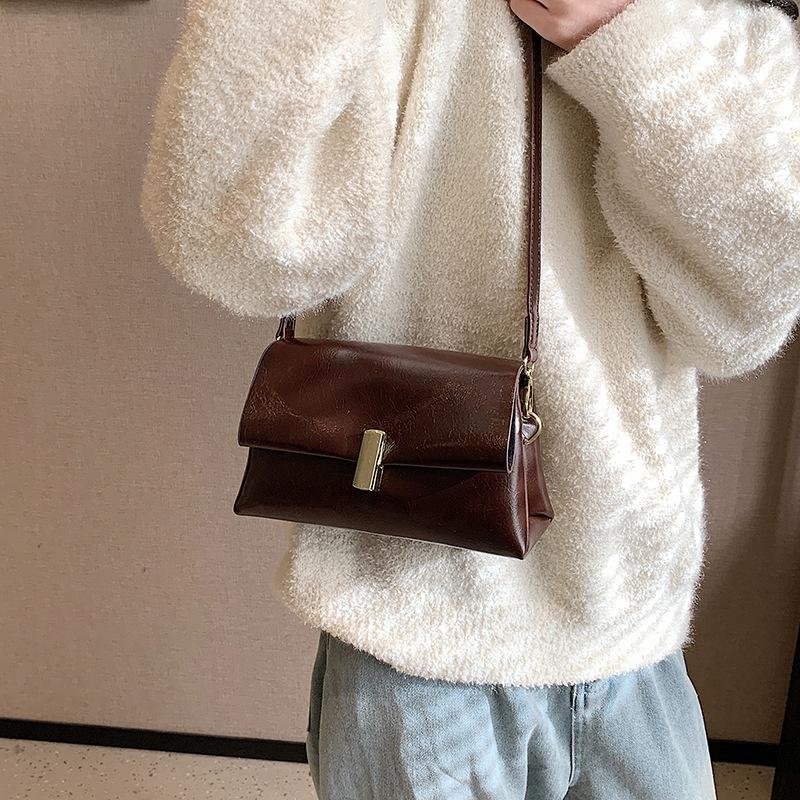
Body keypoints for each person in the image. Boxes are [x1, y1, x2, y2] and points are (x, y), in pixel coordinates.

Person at [140, 0, 800, 797]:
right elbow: (234, 252)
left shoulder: (711, 16)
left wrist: (630, 37)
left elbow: (743, 321)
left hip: (632, 617)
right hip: (408, 621)